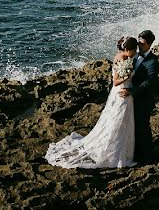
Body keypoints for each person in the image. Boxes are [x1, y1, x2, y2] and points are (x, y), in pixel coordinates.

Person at [46, 36, 138, 169]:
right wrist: (128, 76)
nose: (135, 52)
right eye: (134, 50)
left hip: (123, 93)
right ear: (128, 50)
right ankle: (115, 153)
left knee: (120, 122)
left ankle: (121, 150)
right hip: (122, 92)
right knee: (118, 122)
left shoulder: (121, 56)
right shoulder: (122, 58)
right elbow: (116, 81)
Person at [119, 29, 158, 164]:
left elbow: (148, 82)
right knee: (131, 127)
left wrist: (131, 91)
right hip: (130, 99)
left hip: (143, 100)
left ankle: (147, 158)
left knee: (143, 129)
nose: (138, 46)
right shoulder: (134, 55)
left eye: (141, 44)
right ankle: (133, 154)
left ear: (149, 44)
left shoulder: (153, 61)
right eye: (138, 43)